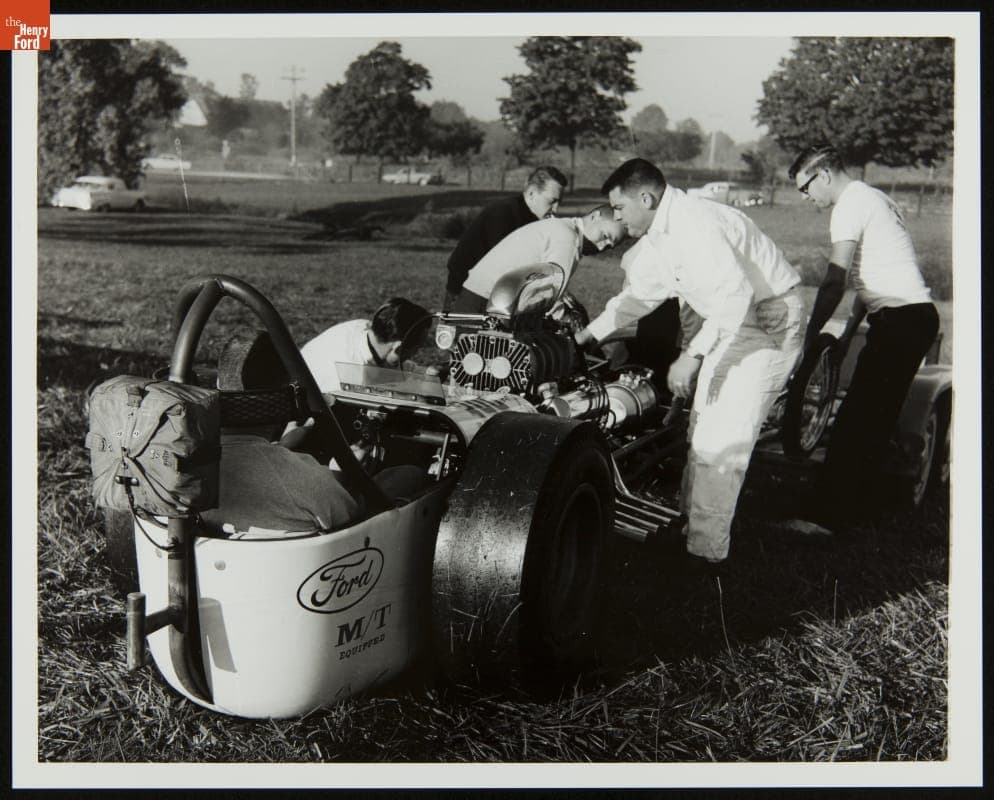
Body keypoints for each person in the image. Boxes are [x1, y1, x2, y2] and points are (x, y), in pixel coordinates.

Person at [575, 158, 804, 567]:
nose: (617, 217)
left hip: (767, 326)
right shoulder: (661, 232)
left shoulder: (693, 224)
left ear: (645, 197)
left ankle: (705, 558)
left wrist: (691, 355)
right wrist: (587, 336)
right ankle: (689, 529)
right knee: (702, 430)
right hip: (734, 323)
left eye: (621, 207)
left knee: (723, 441)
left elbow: (733, 297)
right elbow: (639, 297)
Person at [785, 145, 939, 532]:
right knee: (872, 419)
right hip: (909, 317)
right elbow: (866, 282)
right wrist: (845, 338)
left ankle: (828, 519)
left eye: (805, 188)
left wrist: (810, 335)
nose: (807, 198)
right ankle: (859, 512)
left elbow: (835, 280)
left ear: (822, 175)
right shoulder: (874, 197)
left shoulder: (849, 205)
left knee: (857, 421)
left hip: (902, 318)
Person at [203, 333, 359, 537]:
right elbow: (351, 517)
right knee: (407, 474)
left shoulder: (176, 467)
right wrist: (339, 473)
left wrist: (281, 447)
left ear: (218, 384)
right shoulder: (307, 480)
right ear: (283, 399)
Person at [450, 205, 626, 314]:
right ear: (595, 216)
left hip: (479, 295)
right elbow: (551, 294)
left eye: (610, 245)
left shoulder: (561, 226)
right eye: (604, 236)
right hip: (486, 302)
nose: (602, 247)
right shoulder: (568, 237)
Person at [443, 166, 568, 311]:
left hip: (492, 294)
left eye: (559, 203)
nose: (556, 209)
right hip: (465, 294)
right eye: (552, 201)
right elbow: (507, 269)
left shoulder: (531, 218)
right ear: (532, 193)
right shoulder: (503, 214)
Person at [301, 297, 432, 393]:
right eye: (416, 349)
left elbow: (391, 363)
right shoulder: (353, 376)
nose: (415, 354)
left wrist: (424, 373)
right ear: (398, 347)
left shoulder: (365, 327)